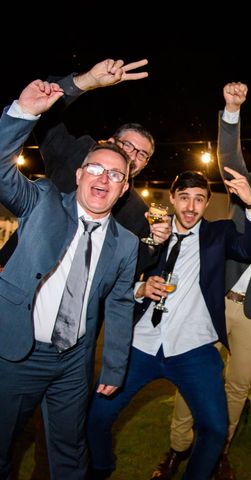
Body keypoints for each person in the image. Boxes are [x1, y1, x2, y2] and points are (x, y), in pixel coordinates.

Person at [151, 82, 251, 480]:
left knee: (236, 387)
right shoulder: (246, 187)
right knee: (194, 375)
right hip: (214, 300)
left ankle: (219, 450)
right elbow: (230, 156)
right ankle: (177, 448)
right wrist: (232, 111)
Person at [86, 169, 251, 479]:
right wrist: (140, 288)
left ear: (208, 203)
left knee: (215, 428)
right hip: (140, 345)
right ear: (172, 198)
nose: (191, 207)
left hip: (193, 349)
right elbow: (112, 279)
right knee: (97, 416)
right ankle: (100, 468)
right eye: (184, 198)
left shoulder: (218, 234)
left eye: (198, 200)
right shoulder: (148, 233)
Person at [0, 79, 138, 479]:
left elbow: (119, 302)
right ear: (79, 174)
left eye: (115, 174)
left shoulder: (125, 244)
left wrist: (113, 366)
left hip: (73, 362)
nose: (103, 178)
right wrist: (23, 114)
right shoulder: (41, 201)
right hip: (16, 353)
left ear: (124, 187)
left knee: (69, 455)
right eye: (95, 168)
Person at [0, 57, 170, 269]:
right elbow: (44, 113)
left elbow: (138, 263)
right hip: (17, 271)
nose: (132, 155)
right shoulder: (74, 155)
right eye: (127, 145)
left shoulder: (138, 212)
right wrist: (85, 81)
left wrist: (156, 242)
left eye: (142, 154)